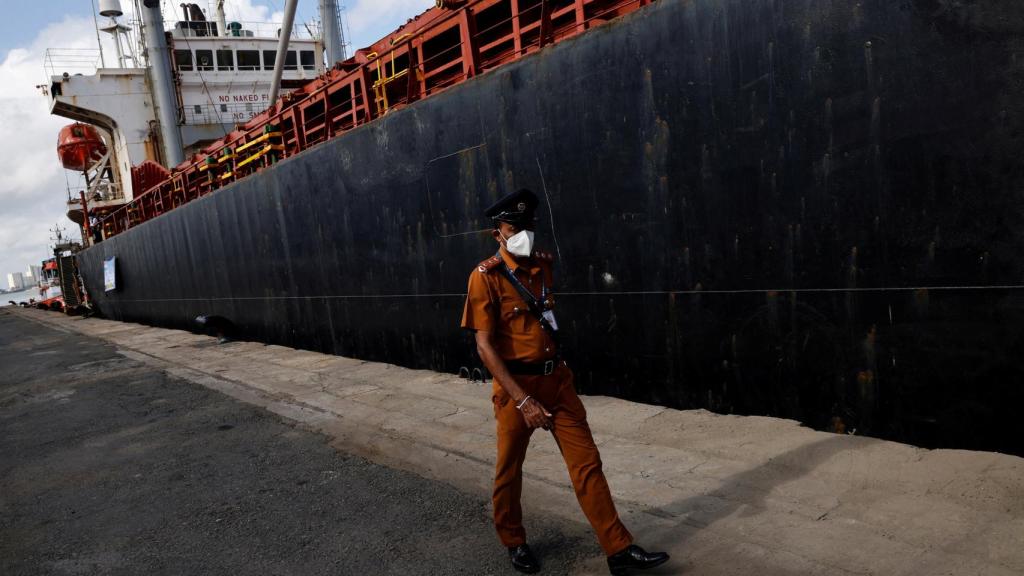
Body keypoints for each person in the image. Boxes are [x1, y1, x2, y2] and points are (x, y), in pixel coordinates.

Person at [461, 189, 669, 575]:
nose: (523, 233)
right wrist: (523, 402)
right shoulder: (484, 277)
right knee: (510, 468)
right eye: (514, 227)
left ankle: (618, 550)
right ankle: (513, 539)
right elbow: (484, 347)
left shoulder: (542, 266)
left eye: (528, 226)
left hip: (557, 381)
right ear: (497, 234)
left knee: (588, 463)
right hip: (516, 391)